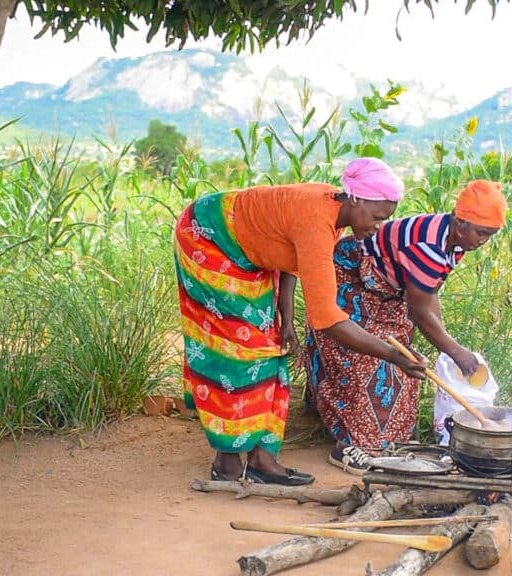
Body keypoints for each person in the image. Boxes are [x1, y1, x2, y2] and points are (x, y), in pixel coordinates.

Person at [174, 158, 429, 486]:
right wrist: (394, 356)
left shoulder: (334, 216)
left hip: (251, 253)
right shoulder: (317, 219)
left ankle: (262, 460)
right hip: (210, 238)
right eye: (377, 217)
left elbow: (293, 259)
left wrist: (285, 320)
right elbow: (328, 319)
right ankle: (226, 462)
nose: (379, 226)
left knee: (273, 346)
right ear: (355, 198)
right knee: (237, 350)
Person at [300, 180, 508, 474]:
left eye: (490, 235)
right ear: (461, 222)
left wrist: (446, 343)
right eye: (482, 233)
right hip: (350, 281)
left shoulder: (456, 240)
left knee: (404, 365)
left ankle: (382, 438)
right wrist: (456, 351)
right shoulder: (428, 245)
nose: (484, 241)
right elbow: (420, 312)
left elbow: (429, 293)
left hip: (386, 291)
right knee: (365, 359)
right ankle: (351, 446)